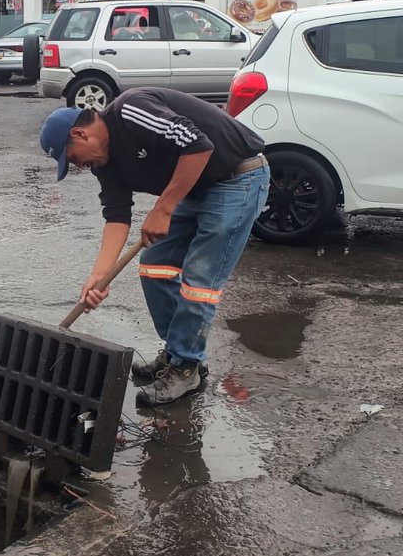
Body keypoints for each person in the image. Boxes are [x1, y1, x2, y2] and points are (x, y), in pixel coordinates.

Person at [39, 87, 269, 406]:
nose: (78, 166)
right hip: (196, 188)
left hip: (237, 178)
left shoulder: (131, 110)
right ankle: (179, 352)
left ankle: (187, 367)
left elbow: (199, 145)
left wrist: (163, 208)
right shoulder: (105, 166)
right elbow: (117, 218)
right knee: (154, 266)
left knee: (199, 281)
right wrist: (98, 278)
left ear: (79, 134)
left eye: (72, 158)